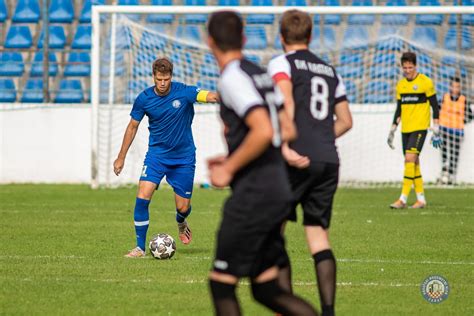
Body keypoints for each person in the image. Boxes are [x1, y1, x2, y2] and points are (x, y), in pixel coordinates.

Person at [206, 10, 318, 316]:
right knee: (266, 289)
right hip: (278, 189)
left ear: (209, 41)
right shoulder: (260, 72)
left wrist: (229, 168)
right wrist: (236, 155)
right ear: (243, 38)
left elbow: (265, 129)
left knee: (222, 285)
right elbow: (287, 128)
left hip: (254, 195)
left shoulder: (232, 77)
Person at [267, 10, 353, 316]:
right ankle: (328, 311)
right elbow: (346, 121)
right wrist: (320, 140)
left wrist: (287, 145)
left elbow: (286, 101)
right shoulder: (330, 70)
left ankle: (286, 308)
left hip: (297, 157)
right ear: (311, 35)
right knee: (317, 234)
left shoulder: (281, 63)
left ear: (281, 36)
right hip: (328, 158)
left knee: (274, 232)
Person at [113, 57, 218, 258]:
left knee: (183, 207)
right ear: (153, 76)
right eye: (159, 79)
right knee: (142, 197)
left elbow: (210, 96)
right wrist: (121, 157)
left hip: (184, 158)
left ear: (171, 77)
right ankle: (140, 248)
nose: (162, 83)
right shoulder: (144, 99)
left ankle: (181, 221)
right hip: (157, 156)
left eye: (166, 79)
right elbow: (132, 126)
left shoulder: (185, 92)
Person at [387, 52, 441, 209]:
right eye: (405, 68)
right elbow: (399, 110)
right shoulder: (401, 85)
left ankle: (402, 199)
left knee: (409, 159)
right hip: (406, 129)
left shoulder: (425, 82)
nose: (408, 70)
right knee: (414, 163)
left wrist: (436, 127)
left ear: (415, 66)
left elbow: (435, 106)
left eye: (410, 67)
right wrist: (392, 129)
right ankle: (421, 199)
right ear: (402, 67)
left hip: (420, 128)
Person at [438, 77, 472, 184]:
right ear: (450, 87)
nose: (455, 88)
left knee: (454, 153)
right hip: (444, 129)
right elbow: (437, 110)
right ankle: (444, 172)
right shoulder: (445, 97)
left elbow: (470, 116)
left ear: (460, 87)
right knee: (444, 151)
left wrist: (462, 121)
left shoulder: (463, 99)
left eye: (457, 86)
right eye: (453, 86)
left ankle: (452, 175)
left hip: (457, 131)